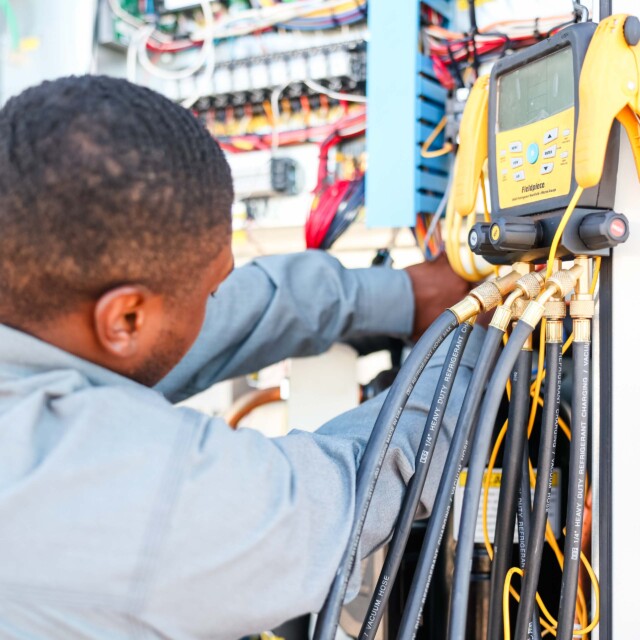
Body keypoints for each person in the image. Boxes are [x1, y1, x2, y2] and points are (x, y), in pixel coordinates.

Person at [0, 75, 482, 639]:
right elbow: (339, 504)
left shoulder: (38, 309)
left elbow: (229, 319)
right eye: (208, 291)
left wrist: (402, 297)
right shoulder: (94, 491)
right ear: (125, 319)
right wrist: (481, 346)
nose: (213, 304)